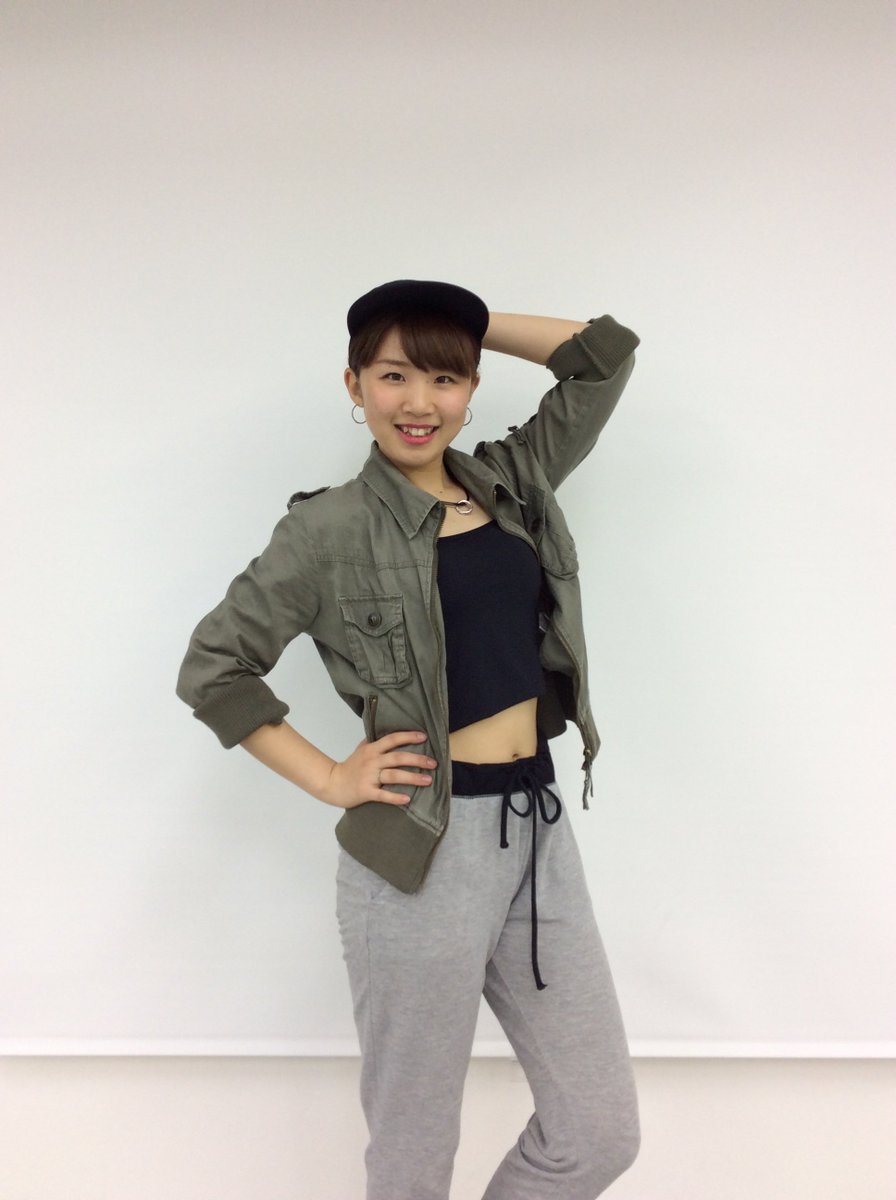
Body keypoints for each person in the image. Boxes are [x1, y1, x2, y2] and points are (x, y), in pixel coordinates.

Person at [176, 279, 641, 1199]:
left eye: (444, 377)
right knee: (413, 1156)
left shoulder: (513, 479)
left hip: (536, 832)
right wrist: (329, 778)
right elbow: (213, 667)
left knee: (597, 1133)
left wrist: (466, 318)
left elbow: (604, 357)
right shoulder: (326, 530)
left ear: (472, 388)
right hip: (419, 853)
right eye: (393, 375)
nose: (418, 402)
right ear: (354, 386)